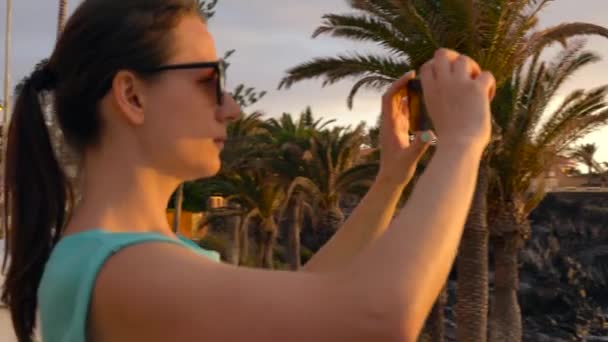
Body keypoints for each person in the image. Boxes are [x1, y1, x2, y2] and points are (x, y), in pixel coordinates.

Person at [1, 0, 496, 341]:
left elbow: (315, 293)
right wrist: (462, 143)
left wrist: (391, 179)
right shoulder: (119, 271)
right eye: (208, 82)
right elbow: (378, 319)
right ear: (132, 96)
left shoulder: (126, 260)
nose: (231, 108)